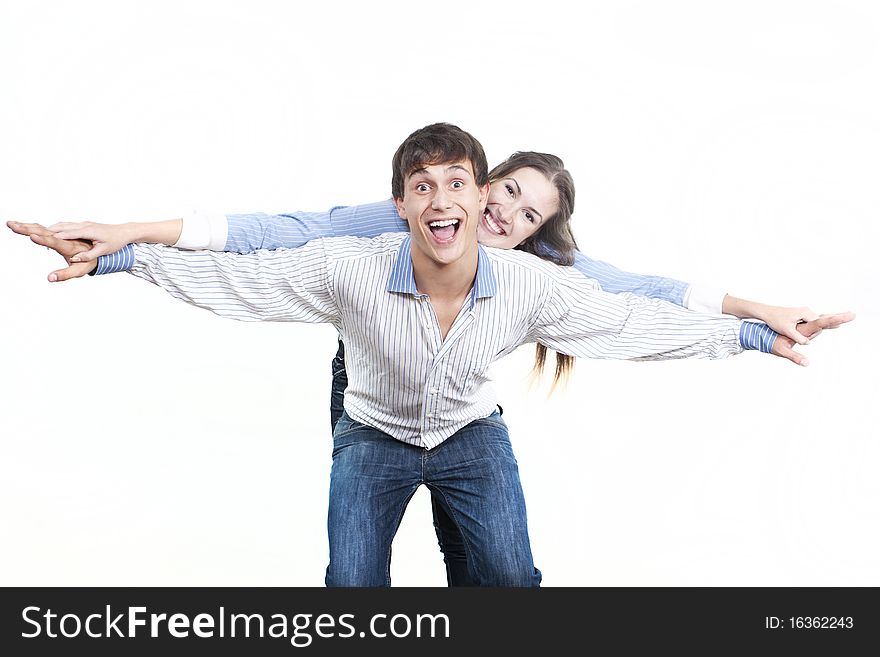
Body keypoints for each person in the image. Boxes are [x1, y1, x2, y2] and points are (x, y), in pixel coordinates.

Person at [7, 123, 853, 586]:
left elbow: (641, 306)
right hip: (371, 398)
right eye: (502, 193)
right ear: (425, 195)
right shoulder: (373, 238)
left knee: (500, 575)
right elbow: (259, 246)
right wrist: (120, 244)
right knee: (354, 582)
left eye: (523, 214)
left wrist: (754, 321)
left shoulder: (535, 277)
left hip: (463, 415)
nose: (497, 215)